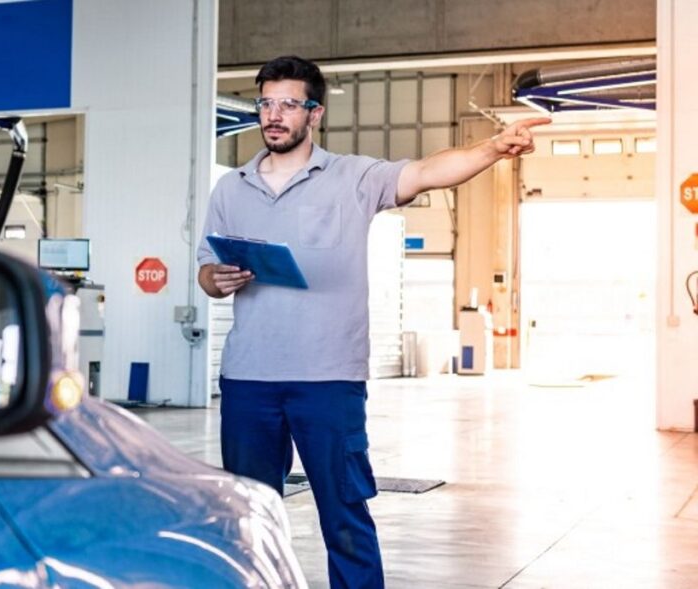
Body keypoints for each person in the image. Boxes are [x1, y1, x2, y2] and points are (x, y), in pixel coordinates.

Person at [196, 55, 548, 589]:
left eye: (288, 104)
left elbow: (427, 171)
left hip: (328, 380)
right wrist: (214, 278)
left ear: (314, 113)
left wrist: (493, 149)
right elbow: (206, 268)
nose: (274, 115)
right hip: (248, 379)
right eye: (266, 103)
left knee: (345, 516)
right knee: (247, 518)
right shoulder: (230, 189)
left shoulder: (353, 177)